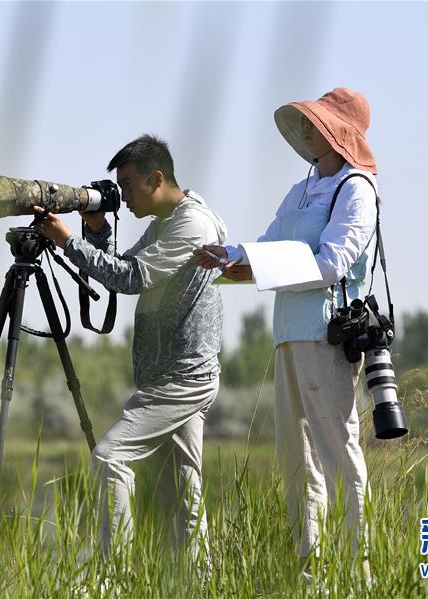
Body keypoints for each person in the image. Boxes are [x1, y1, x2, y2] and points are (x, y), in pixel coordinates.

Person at [194, 88, 379, 578]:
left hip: (328, 332)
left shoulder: (356, 189)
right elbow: (269, 244)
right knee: (294, 453)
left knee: (337, 446)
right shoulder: (301, 190)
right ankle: (310, 565)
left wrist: (257, 266)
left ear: (339, 133)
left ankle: (356, 567)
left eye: (317, 123)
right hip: (288, 332)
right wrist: (231, 256)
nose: (307, 130)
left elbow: (333, 264)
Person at [34, 134, 227, 562]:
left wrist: (68, 240)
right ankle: (199, 585)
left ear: (156, 178)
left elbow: (130, 279)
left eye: (126, 185)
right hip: (171, 374)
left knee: (109, 457)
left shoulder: (190, 226)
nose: (122, 197)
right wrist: (96, 229)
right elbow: (119, 269)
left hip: (182, 378)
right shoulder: (166, 222)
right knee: (183, 492)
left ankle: (112, 577)